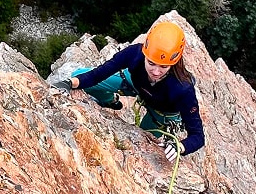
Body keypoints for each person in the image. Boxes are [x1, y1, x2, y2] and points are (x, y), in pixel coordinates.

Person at [66, 20, 204, 161]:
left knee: (140, 145)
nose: (156, 72)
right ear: (145, 53)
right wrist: (69, 83)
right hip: (137, 84)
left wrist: (179, 146)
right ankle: (111, 101)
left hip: (160, 113)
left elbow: (197, 136)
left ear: (174, 63)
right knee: (78, 76)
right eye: (151, 63)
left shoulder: (182, 88)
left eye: (164, 66)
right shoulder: (135, 54)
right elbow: (98, 74)